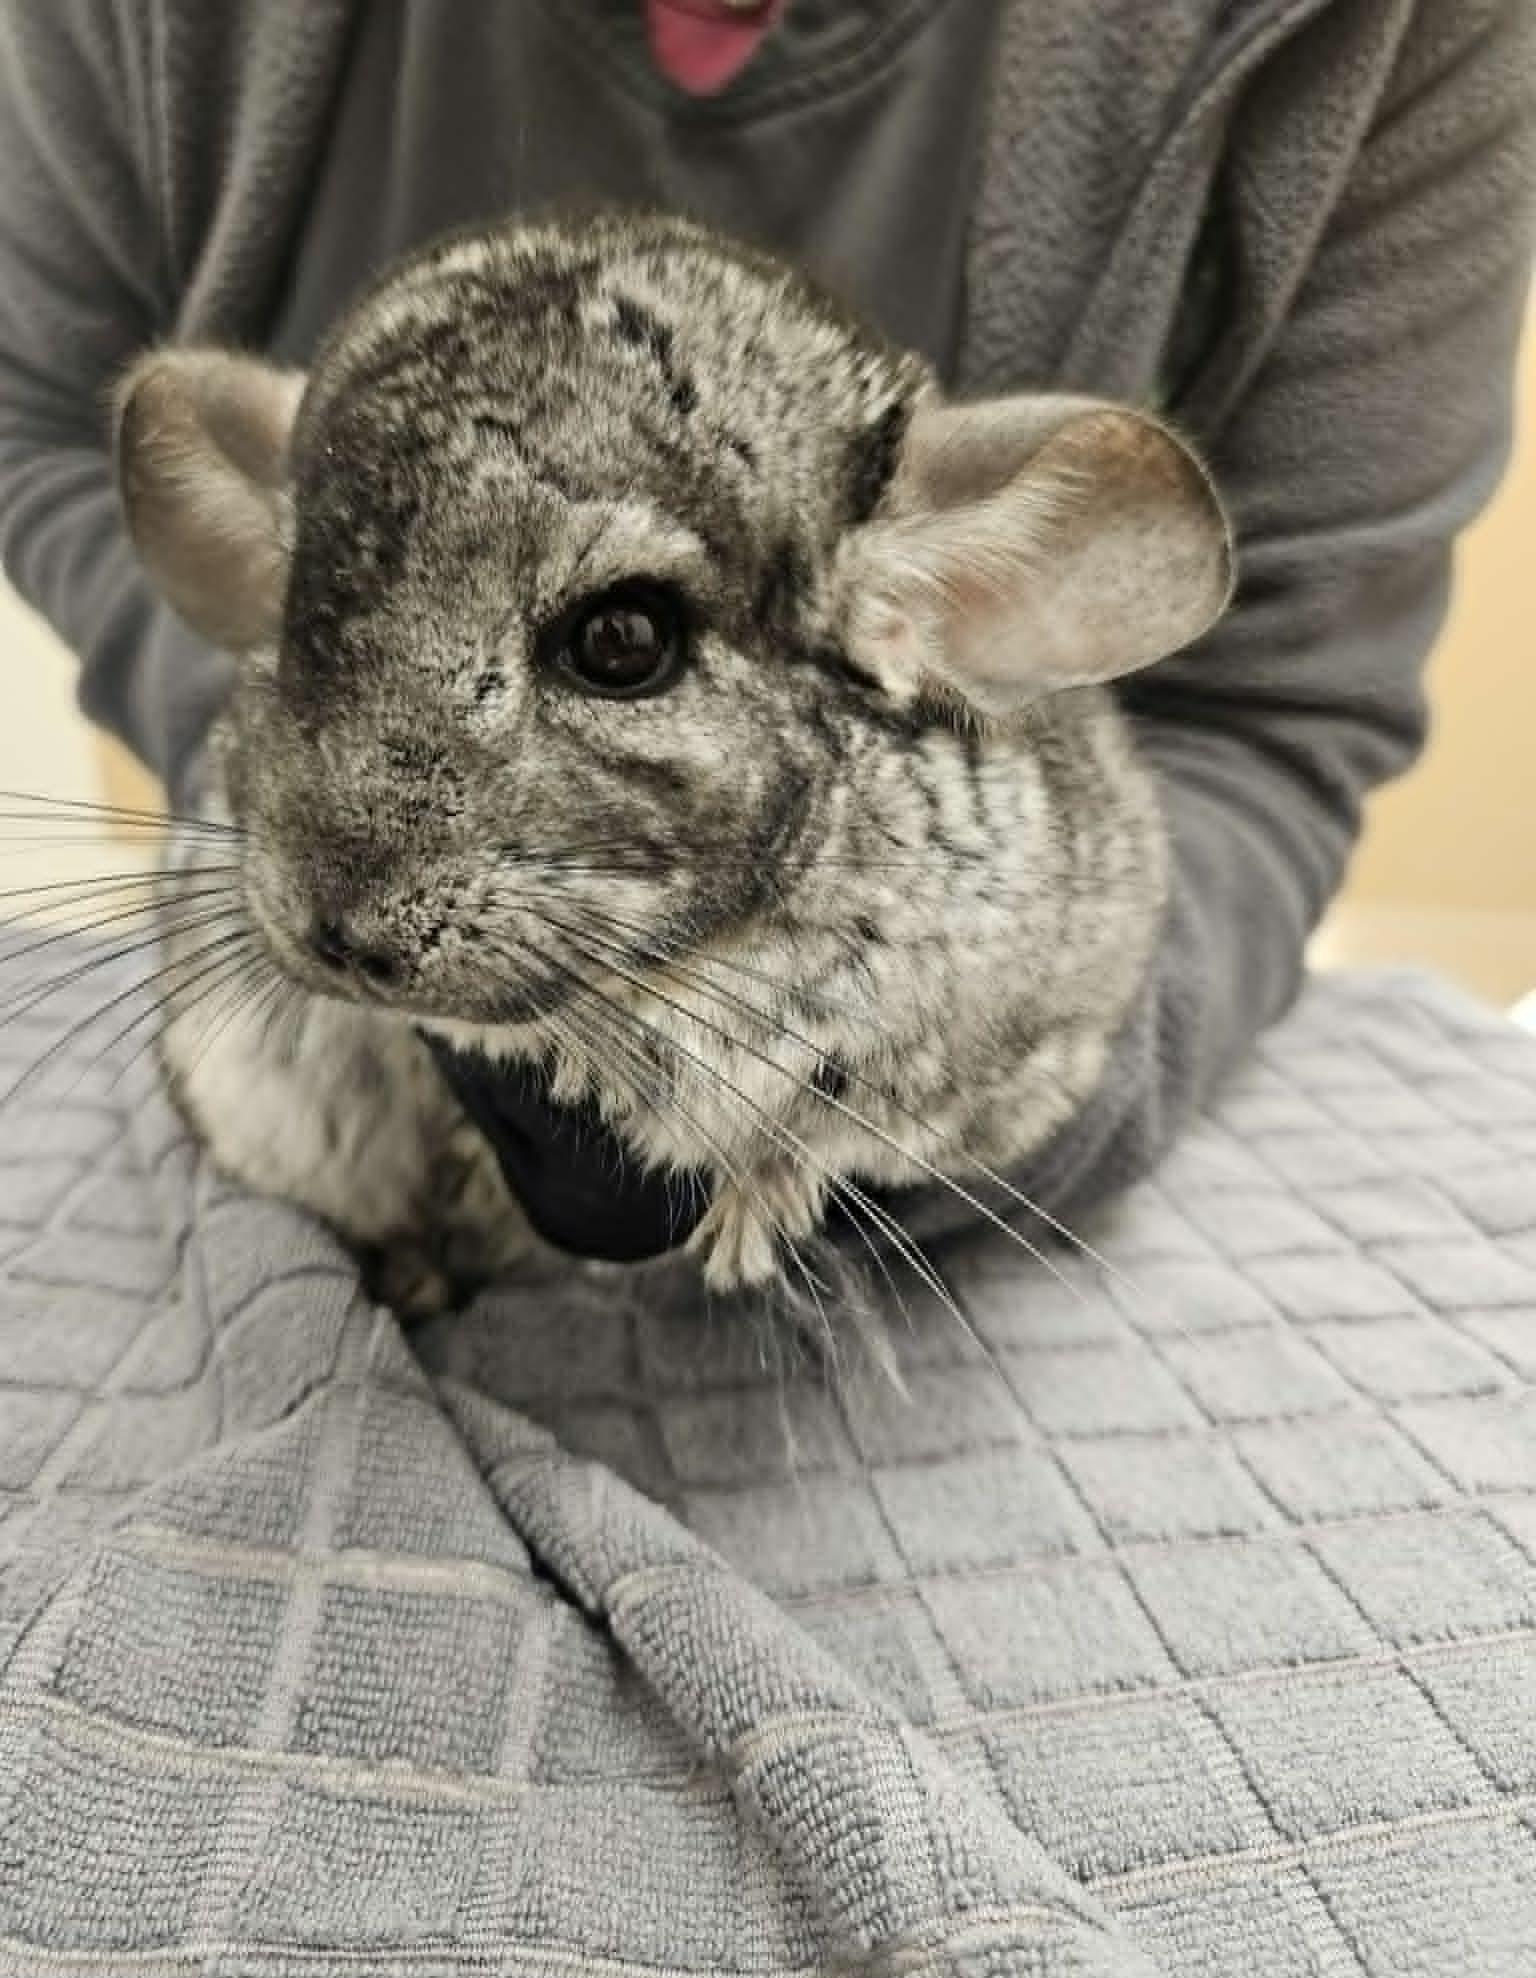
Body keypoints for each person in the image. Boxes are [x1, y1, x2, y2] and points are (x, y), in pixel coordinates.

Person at [0, 0, 1532, 1260]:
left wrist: (929, 1119)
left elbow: (1269, 719)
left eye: (615, 640)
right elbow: (51, 418)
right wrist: (252, 709)